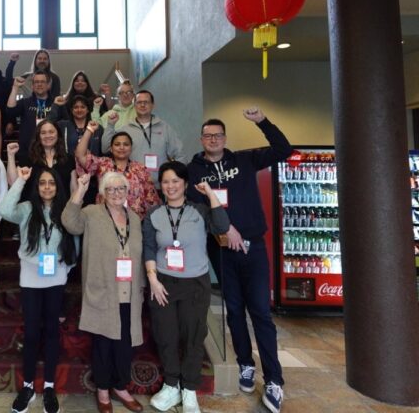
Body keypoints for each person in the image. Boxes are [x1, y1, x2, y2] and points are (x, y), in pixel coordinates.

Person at [186, 107, 292, 413]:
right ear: (201, 139)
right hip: (220, 248)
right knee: (233, 310)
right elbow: (197, 206)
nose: (213, 139)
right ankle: (245, 363)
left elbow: (284, 150)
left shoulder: (244, 160)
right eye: (208, 135)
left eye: (218, 135)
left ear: (225, 138)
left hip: (253, 247)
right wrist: (225, 228)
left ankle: (274, 380)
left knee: (260, 312)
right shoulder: (193, 171)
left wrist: (262, 122)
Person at [144, 161, 229, 413]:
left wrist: (211, 193)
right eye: (166, 181)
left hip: (195, 283)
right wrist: (152, 279)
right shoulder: (153, 214)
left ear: (185, 184)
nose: (170, 186)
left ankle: (189, 389)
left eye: (176, 181)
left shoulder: (200, 211)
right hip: (163, 283)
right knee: (166, 334)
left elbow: (222, 227)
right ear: (161, 186)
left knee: (194, 335)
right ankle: (171, 385)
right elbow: (149, 247)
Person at [62, 172, 144, 413]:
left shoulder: (135, 218)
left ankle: (120, 386)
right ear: (103, 193)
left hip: (130, 289)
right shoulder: (91, 213)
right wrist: (79, 190)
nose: (116, 193)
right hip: (104, 289)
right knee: (103, 343)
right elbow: (69, 221)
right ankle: (103, 390)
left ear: (127, 192)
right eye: (111, 189)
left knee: (125, 343)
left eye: (121, 189)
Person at [0, 166, 77, 413]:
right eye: (42, 183)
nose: (46, 187)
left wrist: (67, 268)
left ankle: (50, 387)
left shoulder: (65, 211)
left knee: (52, 332)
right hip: (31, 278)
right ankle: (28, 386)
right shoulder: (27, 209)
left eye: (51, 183)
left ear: (58, 186)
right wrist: (21, 181)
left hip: (56, 278)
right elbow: (4, 210)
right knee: (32, 333)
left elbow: (75, 242)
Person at [75, 120, 161, 220]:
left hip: (135, 223)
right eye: (117, 144)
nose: (121, 147)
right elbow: (80, 155)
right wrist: (89, 130)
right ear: (111, 148)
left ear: (131, 148)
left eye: (126, 144)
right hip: (105, 220)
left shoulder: (140, 169)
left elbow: (152, 198)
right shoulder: (102, 164)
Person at [102, 90, 185, 187]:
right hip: (132, 188)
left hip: (159, 187)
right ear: (134, 105)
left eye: (146, 102)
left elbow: (180, 155)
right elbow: (105, 148)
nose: (142, 105)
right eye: (139, 102)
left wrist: (173, 179)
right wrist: (111, 125)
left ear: (152, 105)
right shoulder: (126, 129)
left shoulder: (165, 128)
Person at [6, 119, 75, 199]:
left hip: (62, 210)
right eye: (43, 133)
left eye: (51, 132)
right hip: (32, 209)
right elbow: (12, 183)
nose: (48, 135)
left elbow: (74, 190)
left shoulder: (68, 159)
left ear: (58, 134)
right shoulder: (28, 158)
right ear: (38, 136)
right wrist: (11, 155)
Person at [6, 70, 56, 163]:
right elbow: (10, 111)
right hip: (27, 153)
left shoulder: (55, 104)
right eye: (36, 82)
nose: (39, 84)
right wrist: (15, 87)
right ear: (32, 86)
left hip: (51, 152)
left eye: (42, 82)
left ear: (48, 85)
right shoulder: (25, 103)